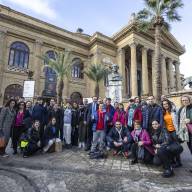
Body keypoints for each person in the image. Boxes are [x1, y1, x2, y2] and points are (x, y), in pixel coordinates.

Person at [162, 99, 182, 167]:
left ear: (169, 104)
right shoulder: (163, 112)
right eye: (164, 104)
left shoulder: (173, 111)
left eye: (166, 104)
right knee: (170, 146)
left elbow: (178, 120)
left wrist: (178, 131)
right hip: (168, 131)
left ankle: (179, 162)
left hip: (174, 131)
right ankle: (173, 160)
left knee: (176, 147)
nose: (165, 105)